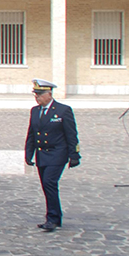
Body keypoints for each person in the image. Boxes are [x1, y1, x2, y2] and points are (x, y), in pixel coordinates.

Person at [25, 79, 80, 231]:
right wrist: (28, 153)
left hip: (57, 153)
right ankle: (54, 216)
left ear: (49, 94)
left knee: (50, 182)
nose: (37, 97)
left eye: (40, 95)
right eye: (36, 95)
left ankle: (53, 218)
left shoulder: (63, 110)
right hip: (42, 154)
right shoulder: (35, 111)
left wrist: (74, 154)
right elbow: (31, 134)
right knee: (46, 185)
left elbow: (71, 134)